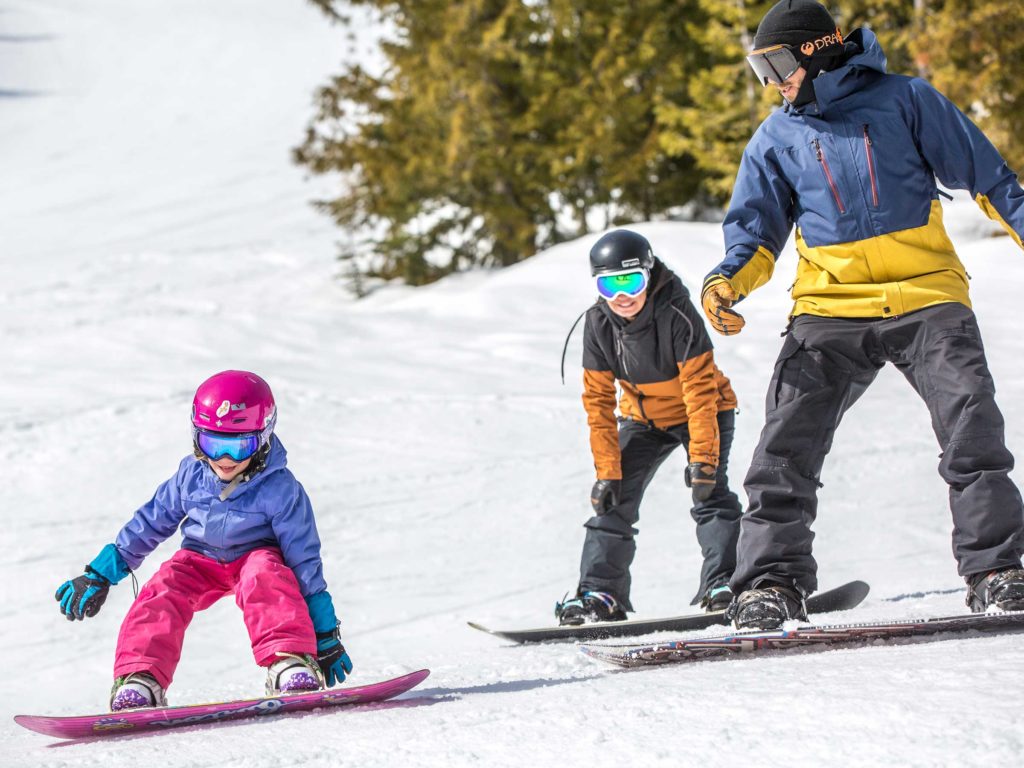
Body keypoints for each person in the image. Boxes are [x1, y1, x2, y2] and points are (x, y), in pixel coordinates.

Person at [701, 0, 1024, 629]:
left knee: (972, 426)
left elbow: (991, 179)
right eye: (758, 68)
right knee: (784, 445)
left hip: (926, 296)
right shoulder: (777, 136)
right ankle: (770, 583)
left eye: (776, 63)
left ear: (816, 51)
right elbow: (755, 234)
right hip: (829, 308)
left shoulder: (907, 100)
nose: (771, 81)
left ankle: (998, 570)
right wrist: (726, 283)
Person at [54, 370, 352, 710]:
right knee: (163, 588)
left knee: (265, 575)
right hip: (199, 560)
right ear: (197, 438)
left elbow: (304, 562)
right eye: (214, 444)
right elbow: (150, 522)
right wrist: (100, 573)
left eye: (240, 446)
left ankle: (290, 660)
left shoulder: (280, 489)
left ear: (263, 437)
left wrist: (325, 633)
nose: (225, 460)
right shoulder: (190, 476)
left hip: (253, 558)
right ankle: (140, 678)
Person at [555, 229, 743, 625]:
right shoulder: (597, 324)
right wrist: (607, 473)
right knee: (612, 500)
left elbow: (700, 390)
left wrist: (703, 461)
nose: (622, 296)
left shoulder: (677, 312)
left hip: (703, 412)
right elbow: (599, 404)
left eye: (631, 281)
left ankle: (725, 584)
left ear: (649, 272)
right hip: (644, 419)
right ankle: (599, 593)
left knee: (709, 495)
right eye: (609, 285)